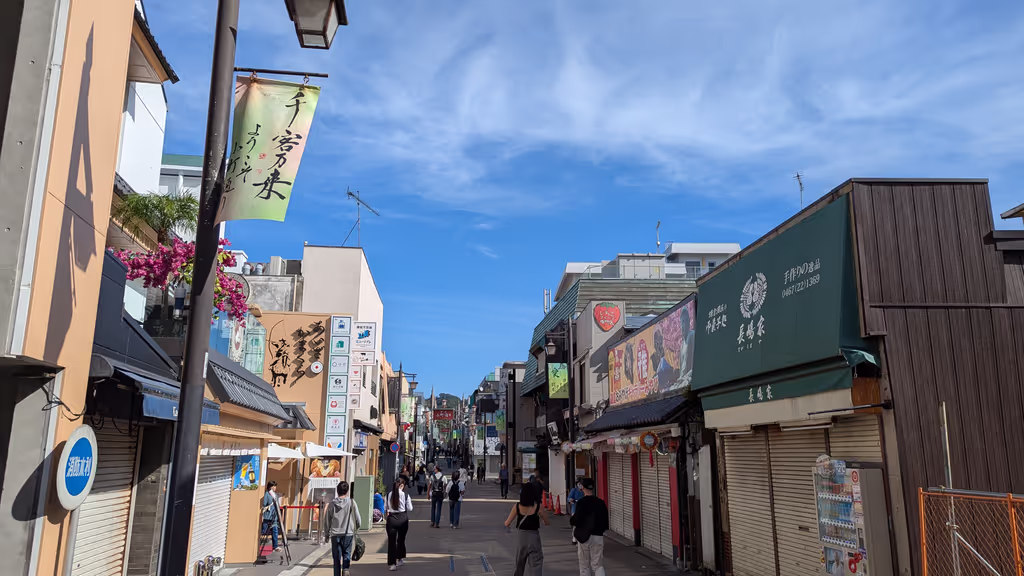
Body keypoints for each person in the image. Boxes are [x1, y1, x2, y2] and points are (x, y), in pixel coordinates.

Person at [504, 482, 549, 576]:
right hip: (534, 537)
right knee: (536, 564)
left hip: (521, 538)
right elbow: (547, 522)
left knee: (519, 563)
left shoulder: (517, 506)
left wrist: (509, 527)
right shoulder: (538, 507)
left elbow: (507, 522)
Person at [571, 478, 608, 576]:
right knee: (598, 565)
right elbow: (606, 521)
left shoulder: (581, 503)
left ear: (582, 487)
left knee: (584, 565)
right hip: (598, 536)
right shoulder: (601, 503)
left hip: (584, 536)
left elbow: (575, 521)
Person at [325, 481, 361, 576]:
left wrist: (326, 534)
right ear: (347, 492)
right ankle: (345, 569)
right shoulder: (352, 502)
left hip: (335, 534)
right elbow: (358, 519)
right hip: (348, 532)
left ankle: (337, 574)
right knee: (346, 554)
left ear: (337, 491)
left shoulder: (331, 504)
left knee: (336, 558)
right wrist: (356, 528)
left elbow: (327, 520)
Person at [386, 479, 413, 571]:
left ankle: (392, 564)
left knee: (391, 542)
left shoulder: (388, 495)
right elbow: (410, 508)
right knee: (401, 540)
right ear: (401, 486)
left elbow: (386, 507)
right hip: (402, 518)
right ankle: (400, 558)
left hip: (392, 519)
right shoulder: (405, 495)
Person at [261, 481, 282, 552]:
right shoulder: (267, 494)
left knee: (275, 531)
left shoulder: (275, 495)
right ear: (270, 487)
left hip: (274, 516)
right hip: (268, 515)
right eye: (273, 486)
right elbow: (264, 504)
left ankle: (275, 546)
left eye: (275, 486)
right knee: (264, 530)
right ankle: (258, 543)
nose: (275, 488)